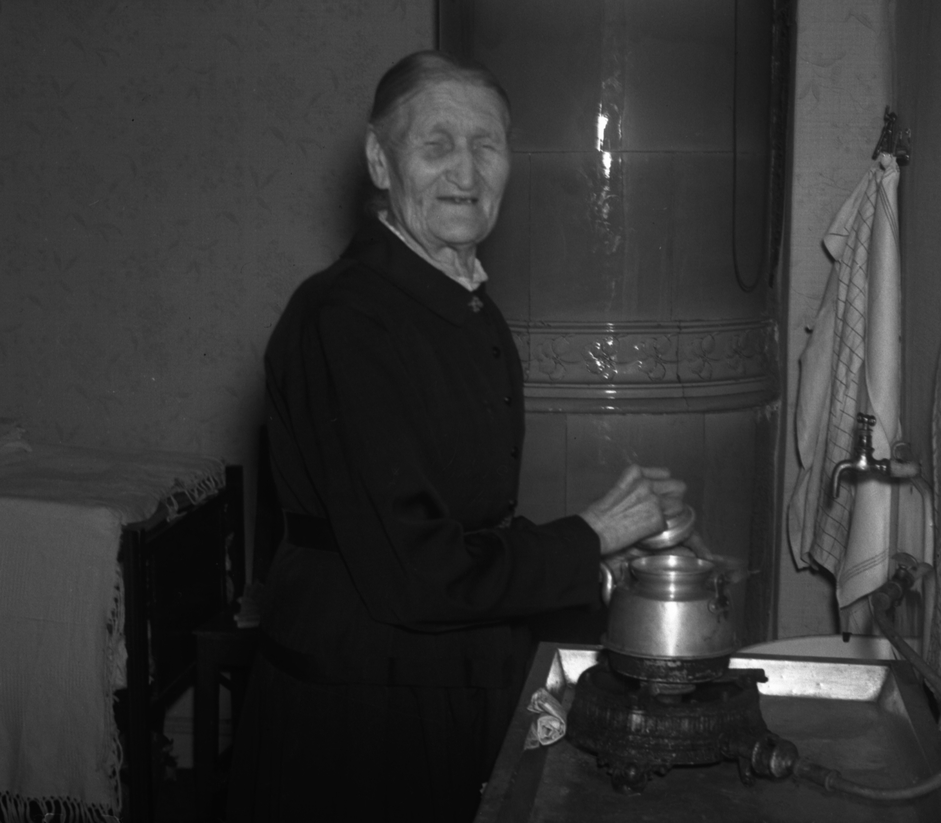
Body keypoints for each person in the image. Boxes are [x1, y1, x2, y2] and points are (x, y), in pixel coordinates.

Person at [226, 51, 686, 823]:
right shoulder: (344, 317)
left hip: (437, 677)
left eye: (486, 145)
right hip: (359, 714)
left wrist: (598, 557)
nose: (465, 171)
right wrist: (589, 535)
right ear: (381, 161)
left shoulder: (462, 302)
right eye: (436, 145)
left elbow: (462, 526)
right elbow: (418, 570)